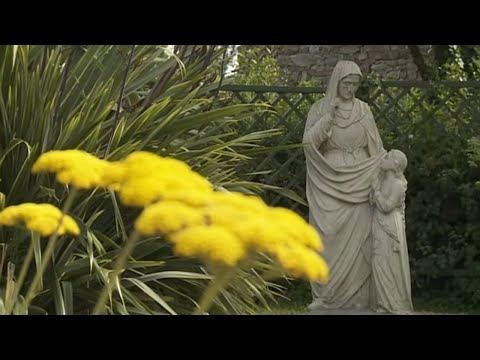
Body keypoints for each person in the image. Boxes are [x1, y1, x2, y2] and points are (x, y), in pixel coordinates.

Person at [303, 60, 386, 310]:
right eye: (346, 83)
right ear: (336, 82)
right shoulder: (319, 109)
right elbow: (308, 144)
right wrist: (328, 117)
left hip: (361, 178)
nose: (350, 88)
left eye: (355, 84)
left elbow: (376, 149)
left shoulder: (363, 110)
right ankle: (325, 296)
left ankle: (359, 298)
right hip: (329, 177)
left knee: (361, 237)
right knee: (327, 234)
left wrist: (385, 174)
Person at [370, 149, 414, 314]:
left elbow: (387, 207)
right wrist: (374, 190)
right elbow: (373, 201)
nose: (383, 158)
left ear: (395, 164)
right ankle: (383, 303)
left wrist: (376, 191)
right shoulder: (382, 181)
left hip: (389, 226)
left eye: (387, 157)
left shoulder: (397, 185)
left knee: (388, 263)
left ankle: (393, 304)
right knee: (378, 262)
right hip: (378, 222)